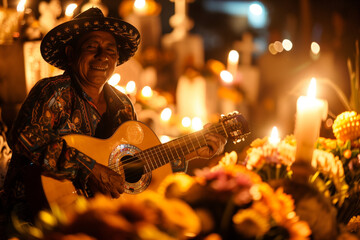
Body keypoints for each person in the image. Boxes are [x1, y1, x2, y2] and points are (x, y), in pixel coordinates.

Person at [1, 7, 227, 238]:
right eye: (92, 47)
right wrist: (90, 168)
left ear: (117, 59)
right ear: (70, 53)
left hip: (99, 220)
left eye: (110, 50)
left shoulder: (122, 105)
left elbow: (131, 168)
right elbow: (25, 138)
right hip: (36, 217)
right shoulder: (52, 91)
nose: (102, 56)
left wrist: (190, 152)